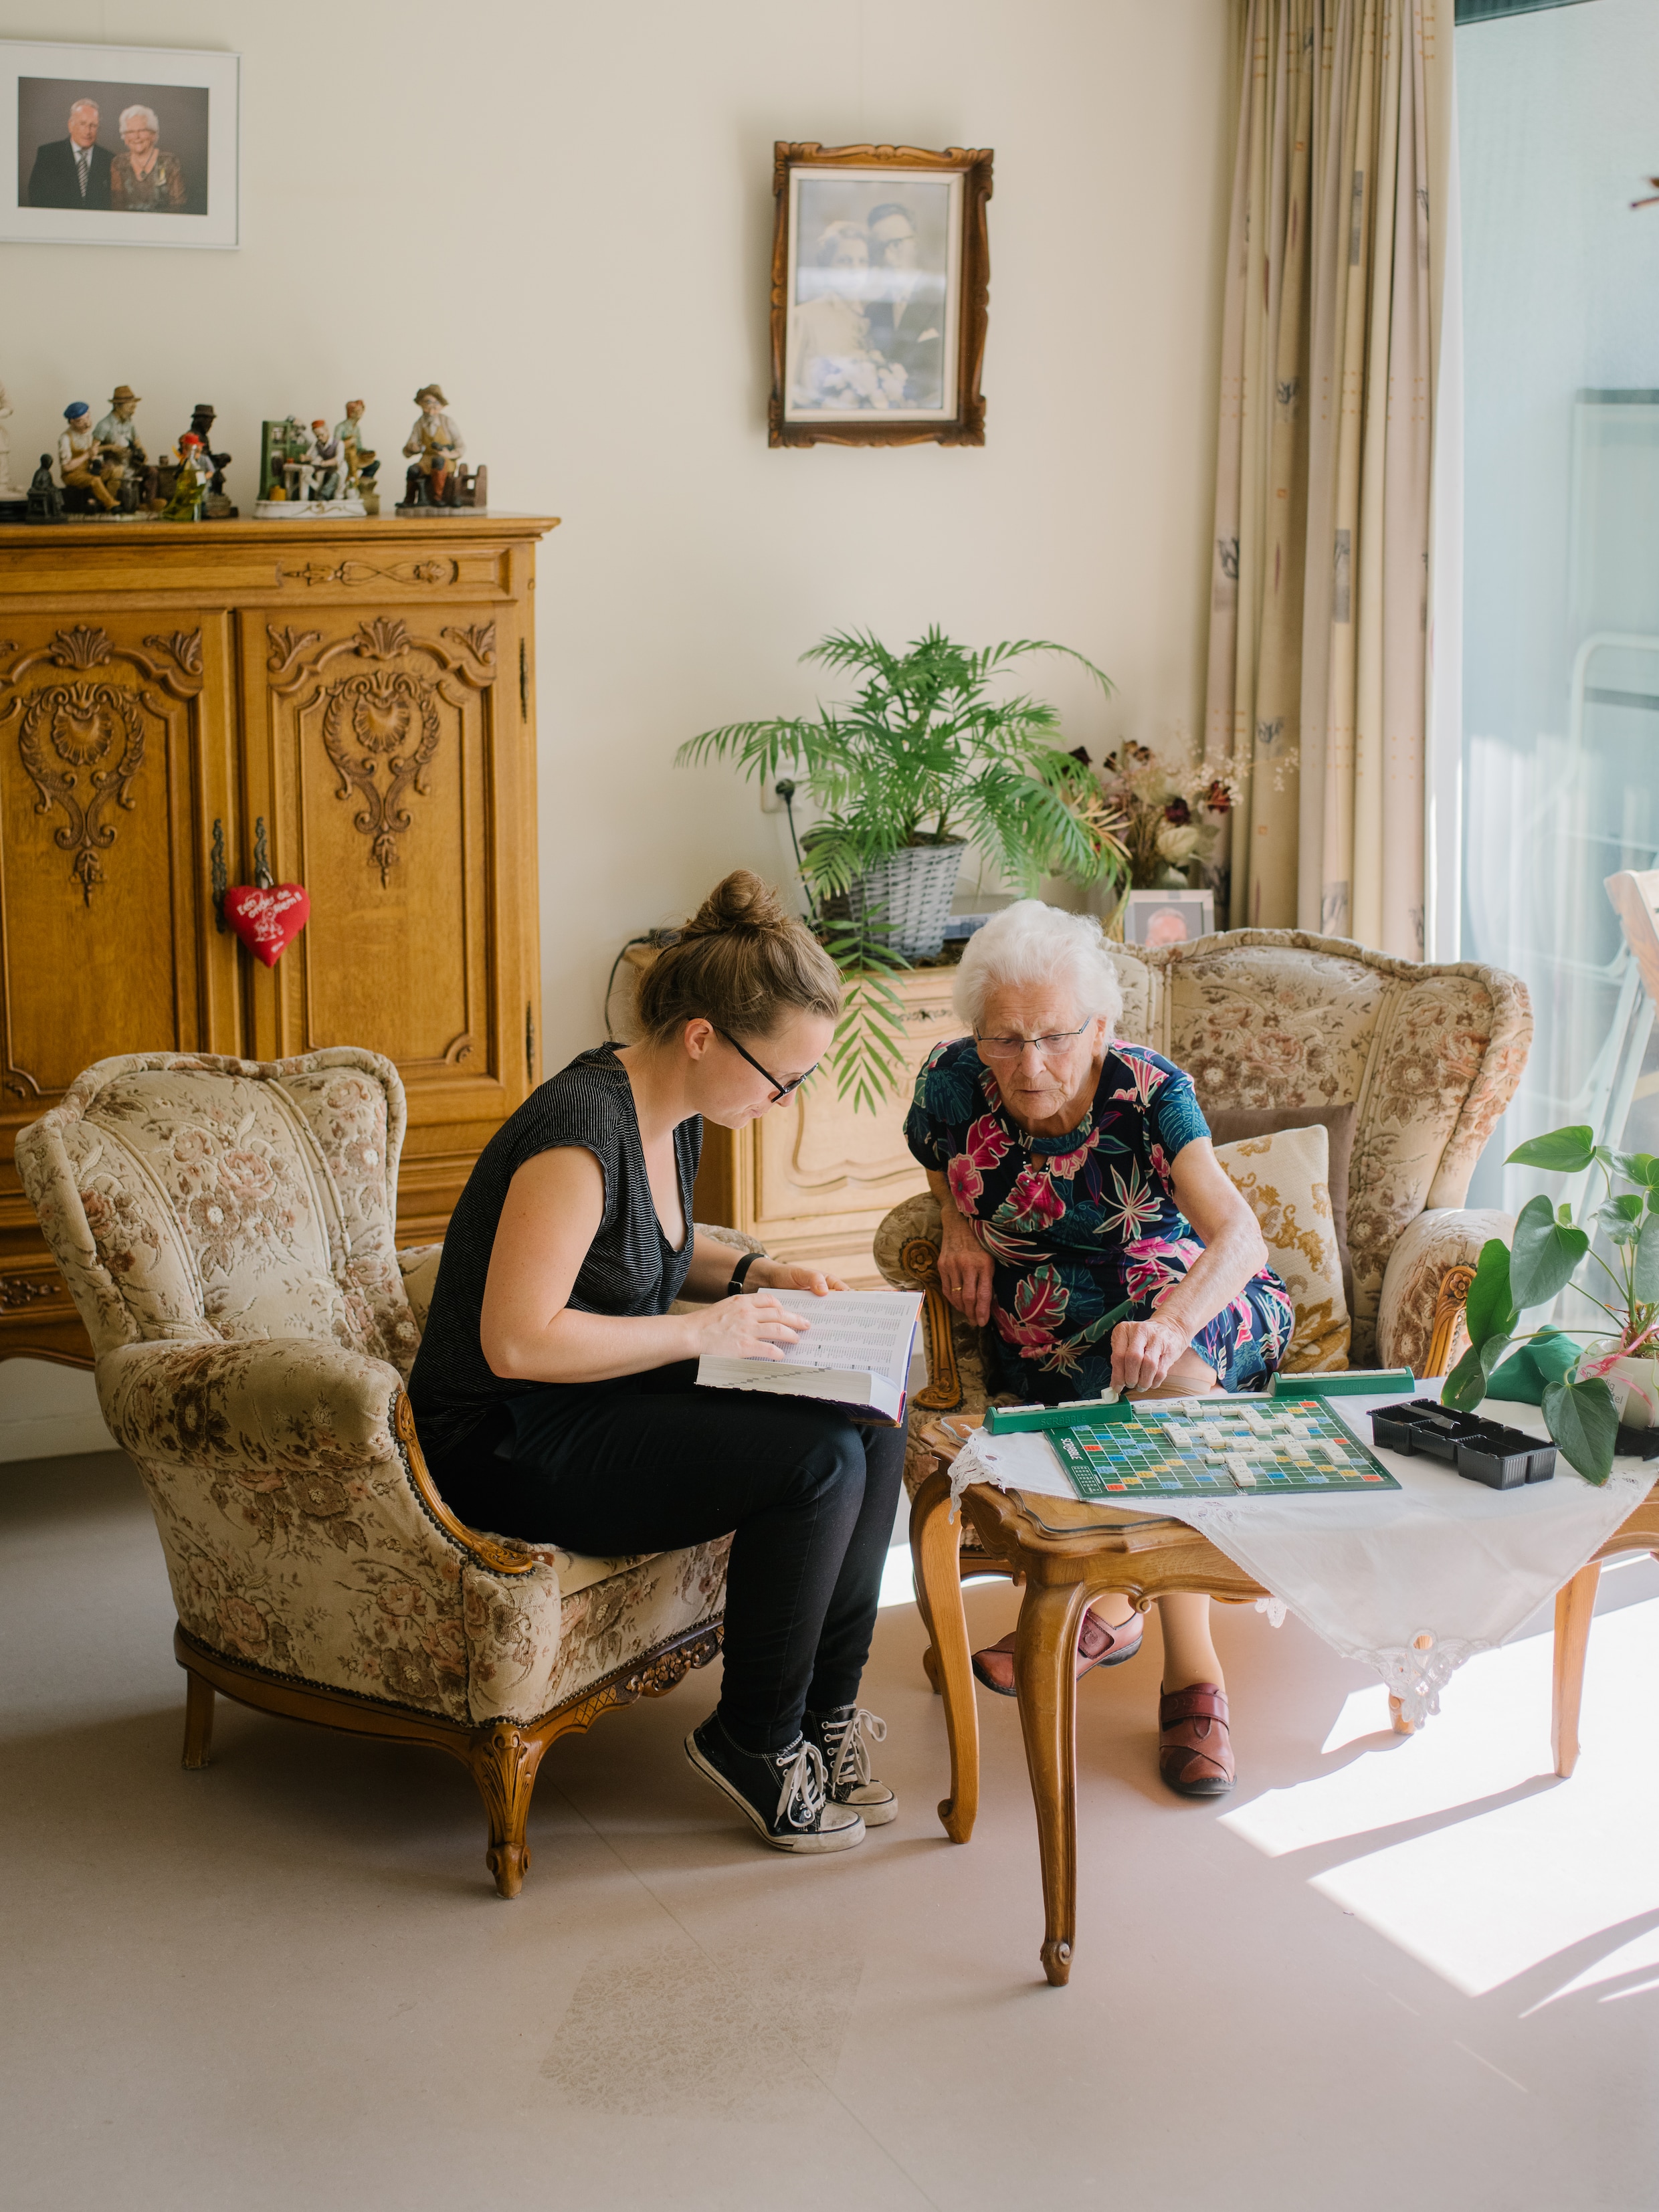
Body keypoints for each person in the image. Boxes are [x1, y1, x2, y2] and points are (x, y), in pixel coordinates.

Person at [409, 872, 902, 1853]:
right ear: (704, 1035)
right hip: (505, 1430)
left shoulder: (665, 1113)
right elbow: (518, 1338)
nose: (785, 1099)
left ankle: (820, 1716)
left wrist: (765, 1269)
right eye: (781, 1078)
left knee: (871, 1418)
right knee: (815, 1462)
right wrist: (699, 1332)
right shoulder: (579, 1133)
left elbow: (649, 1249)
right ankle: (752, 1739)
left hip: (594, 1393)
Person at [904, 900, 1294, 1797]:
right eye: (1005, 1038)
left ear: (1101, 1025)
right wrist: (957, 1218)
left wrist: (1171, 1322)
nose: (1029, 1064)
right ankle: (1112, 1610)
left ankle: (1183, 1667)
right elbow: (936, 1150)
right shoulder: (952, 1080)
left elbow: (1239, 1239)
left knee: (1172, 1387)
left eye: (1053, 1035)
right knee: (1121, 1382)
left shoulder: (1152, 1093)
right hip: (1047, 1337)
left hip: (1191, 1305)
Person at [864, 202, 944, 407]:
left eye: (897, 243)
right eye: (880, 247)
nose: (889, 256)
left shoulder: (942, 299)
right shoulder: (873, 310)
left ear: (915, 244)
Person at [27, 98, 112, 209]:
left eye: (93, 125)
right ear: (70, 125)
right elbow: (37, 197)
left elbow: (112, 204)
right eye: (82, 124)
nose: (88, 131)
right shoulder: (48, 154)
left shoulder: (109, 159)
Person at [109, 106, 187, 213]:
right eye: (131, 132)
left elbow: (178, 205)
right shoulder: (119, 163)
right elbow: (117, 206)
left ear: (153, 135)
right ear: (125, 138)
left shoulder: (169, 162)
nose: (137, 136)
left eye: (142, 130)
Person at [92, 386, 154, 510]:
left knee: (153, 472)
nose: (133, 411)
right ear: (118, 406)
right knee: (118, 473)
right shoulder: (104, 425)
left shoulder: (129, 423)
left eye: (134, 407)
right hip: (114, 465)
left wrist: (144, 455)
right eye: (130, 408)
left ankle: (148, 504)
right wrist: (111, 448)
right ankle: (113, 503)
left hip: (131, 464)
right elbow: (93, 450)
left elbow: (138, 443)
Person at [402, 385, 464, 504]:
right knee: (413, 470)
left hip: (445, 460)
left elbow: (461, 446)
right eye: (428, 402)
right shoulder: (420, 424)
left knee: (438, 461)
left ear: (441, 405)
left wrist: (449, 454)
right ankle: (409, 500)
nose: (432, 407)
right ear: (421, 403)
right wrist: (412, 448)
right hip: (426, 461)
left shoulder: (447, 422)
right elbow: (408, 447)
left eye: (436, 403)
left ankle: (438, 498)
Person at [56, 403, 119, 511]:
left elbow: (93, 456)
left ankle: (105, 500)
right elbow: (66, 467)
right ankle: (111, 505)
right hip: (72, 475)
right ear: (72, 422)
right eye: (81, 421)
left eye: (88, 417)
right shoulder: (66, 438)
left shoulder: (88, 435)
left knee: (116, 471)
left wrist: (99, 463)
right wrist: (86, 455)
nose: (87, 423)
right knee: (94, 480)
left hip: (87, 471)